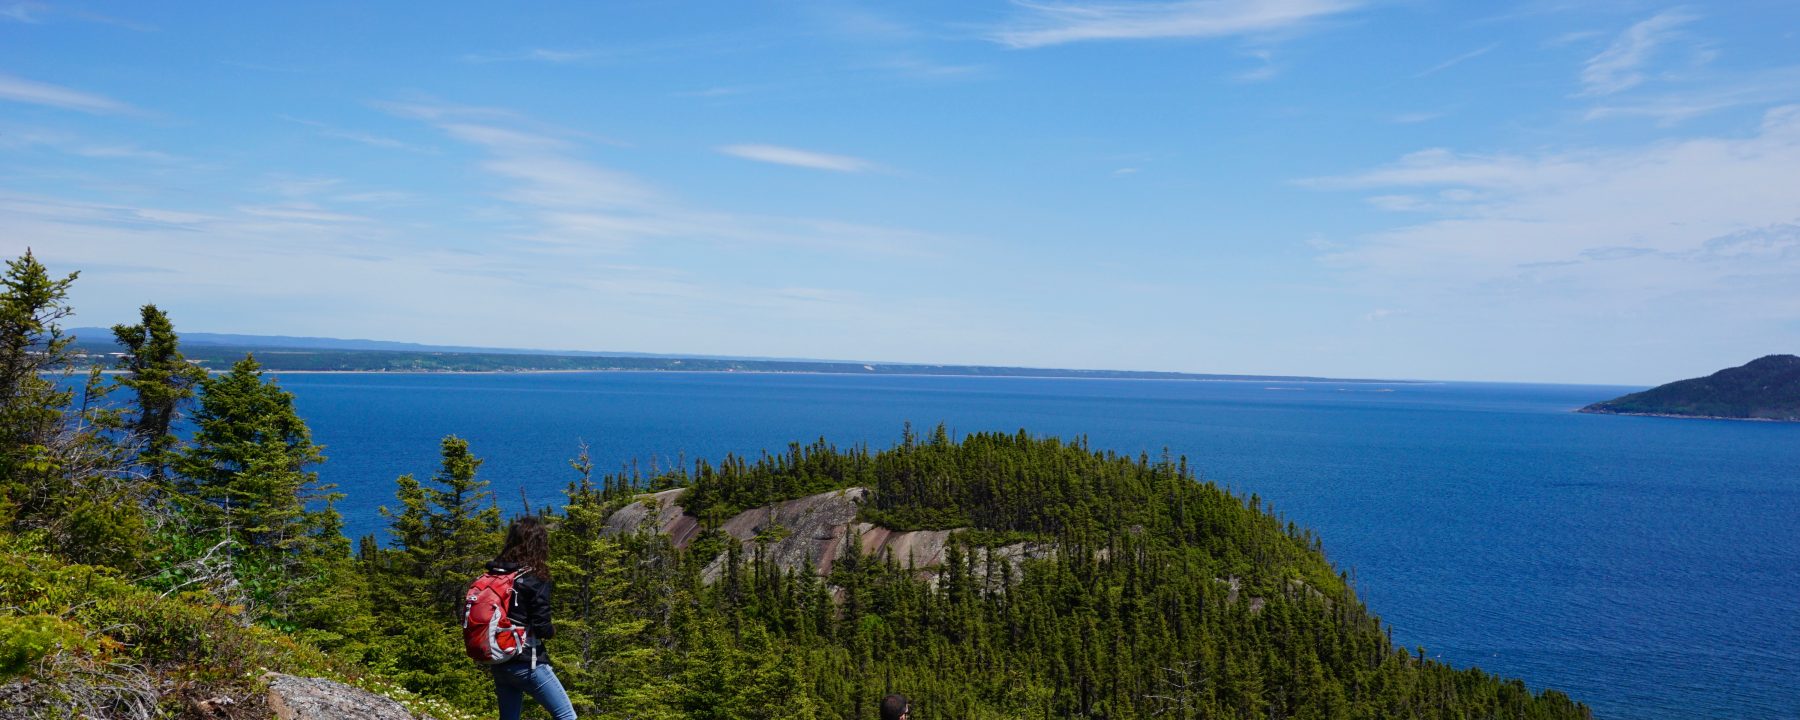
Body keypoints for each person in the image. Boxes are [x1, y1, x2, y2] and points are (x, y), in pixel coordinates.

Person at [486, 516, 577, 720]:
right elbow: (542, 625)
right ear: (538, 544)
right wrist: (552, 631)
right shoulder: (534, 578)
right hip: (527, 661)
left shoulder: (496, 574)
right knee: (567, 716)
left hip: (499, 660)